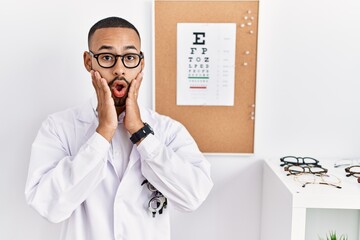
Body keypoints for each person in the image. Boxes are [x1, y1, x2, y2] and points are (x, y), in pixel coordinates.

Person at [25, 17, 213, 240]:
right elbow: (50, 207)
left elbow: (193, 197)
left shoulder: (167, 130)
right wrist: (103, 132)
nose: (119, 69)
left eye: (130, 58)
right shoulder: (59, 127)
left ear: (141, 64)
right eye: (106, 57)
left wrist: (141, 133)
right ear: (88, 62)